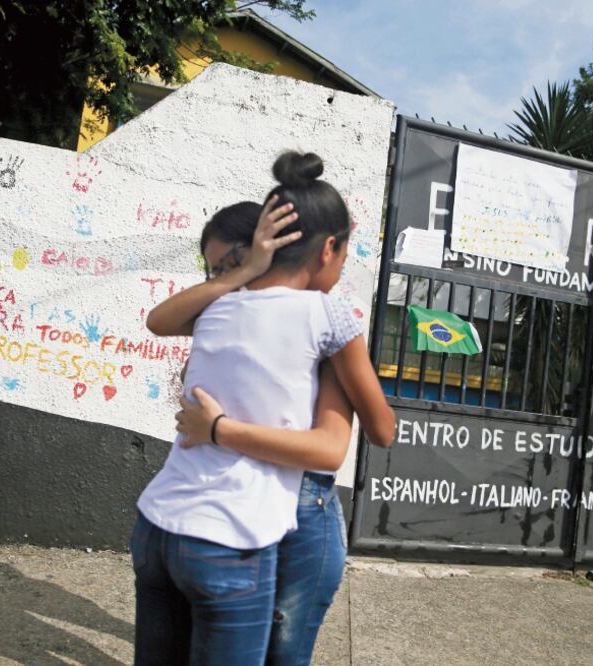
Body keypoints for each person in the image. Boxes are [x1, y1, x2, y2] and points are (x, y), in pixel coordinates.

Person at [134, 152, 395, 665]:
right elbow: (375, 433)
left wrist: (240, 272)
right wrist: (221, 430)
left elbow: (158, 321)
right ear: (330, 249)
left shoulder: (216, 305)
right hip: (235, 533)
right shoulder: (327, 315)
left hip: (157, 521)